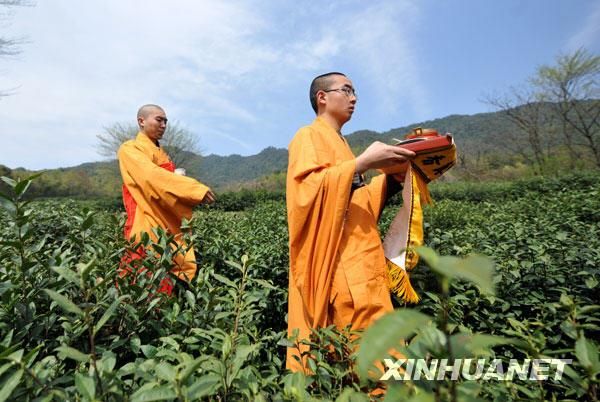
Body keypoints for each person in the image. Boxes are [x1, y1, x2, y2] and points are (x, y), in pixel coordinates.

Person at [286, 72, 415, 372]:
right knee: (371, 359)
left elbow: (358, 205)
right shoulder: (308, 136)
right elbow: (307, 192)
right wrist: (362, 163)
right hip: (344, 266)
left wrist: (393, 179)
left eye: (355, 91)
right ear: (322, 97)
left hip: (365, 258)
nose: (354, 98)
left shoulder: (341, 145)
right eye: (346, 90)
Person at [117, 104, 215, 295]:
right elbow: (151, 176)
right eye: (159, 120)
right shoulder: (130, 149)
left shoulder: (163, 154)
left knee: (166, 279)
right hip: (144, 222)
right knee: (143, 280)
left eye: (165, 121)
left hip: (166, 224)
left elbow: (167, 187)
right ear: (141, 121)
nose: (163, 125)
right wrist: (193, 189)